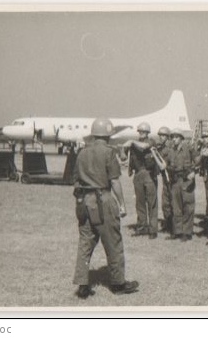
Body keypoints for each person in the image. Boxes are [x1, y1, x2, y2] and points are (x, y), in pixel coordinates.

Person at [72, 118, 138, 299]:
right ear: (108, 136)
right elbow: (115, 181)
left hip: (84, 201)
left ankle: (82, 285)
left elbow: (75, 179)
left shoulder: (82, 153)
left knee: (85, 243)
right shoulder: (109, 153)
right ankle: (118, 283)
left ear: (93, 134)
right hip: (104, 200)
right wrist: (122, 204)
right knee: (113, 242)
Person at [123, 122, 159, 239]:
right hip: (138, 174)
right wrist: (125, 147)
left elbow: (145, 147)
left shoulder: (150, 141)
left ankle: (153, 229)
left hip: (149, 174)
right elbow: (125, 156)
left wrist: (132, 142)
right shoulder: (134, 144)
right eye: (140, 131)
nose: (141, 133)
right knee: (140, 203)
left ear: (147, 133)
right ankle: (142, 227)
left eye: (144, 132)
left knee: (151, 203)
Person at [166, 128, 198, 241]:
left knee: (188, 206)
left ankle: (187, 232)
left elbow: (198, 160)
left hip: (187, 180)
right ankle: (177, 231)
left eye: (176, 137)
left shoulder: (188, 148)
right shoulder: (171, 151)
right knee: (176, 206)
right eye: (172, 137)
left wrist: (194, 172)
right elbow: (167, 164)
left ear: (181, 138)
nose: (174, 139)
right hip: (175, 181)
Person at [156, 126, 173, 233]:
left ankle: (174, 225)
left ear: (168, 137)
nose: (161, 137)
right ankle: (168, 224)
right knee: (165, 203)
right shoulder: (160, 148)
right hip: (165, 177)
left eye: (164, 135)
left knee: (173, 202)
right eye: (160, 135)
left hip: (171, 176)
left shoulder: (170, 147)